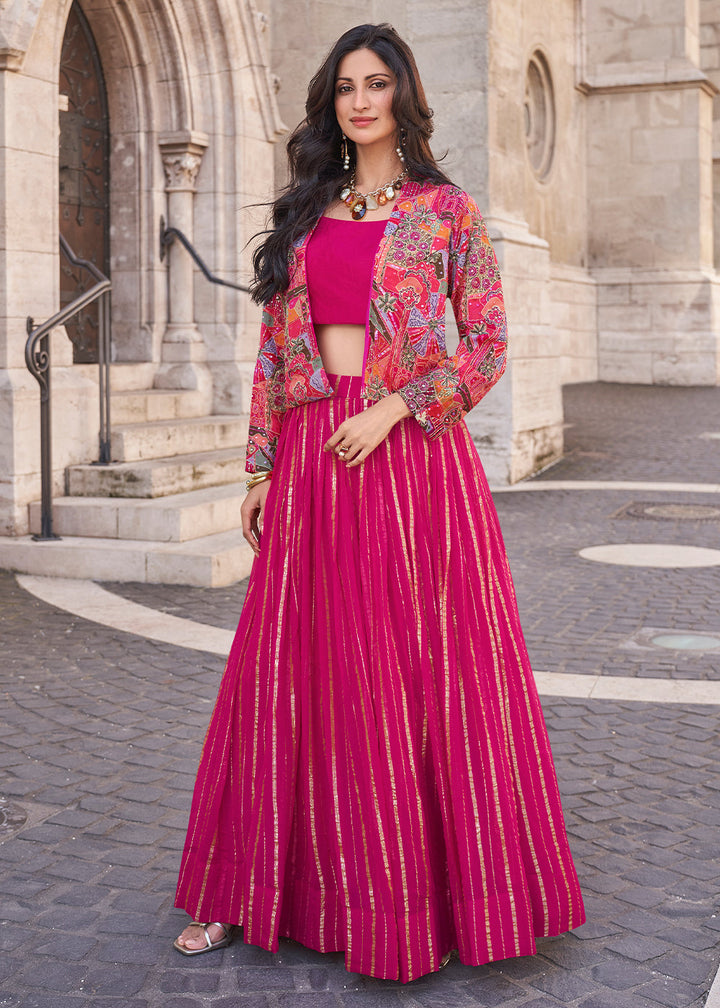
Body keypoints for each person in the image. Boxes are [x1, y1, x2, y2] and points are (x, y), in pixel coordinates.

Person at [173, 22, 585, 982]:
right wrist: (262, 466)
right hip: (316, 456)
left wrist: (397, 406)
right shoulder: (307, 211)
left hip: (409, 464)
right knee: (286, 674)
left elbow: (484, 347)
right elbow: (276, 355)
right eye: (346, 87)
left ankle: (418, 899)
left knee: (412, 677)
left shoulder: (446, 212)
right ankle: (243, 892)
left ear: (403, 94)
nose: (361, 101)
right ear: (332, 103)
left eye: (377, 83)